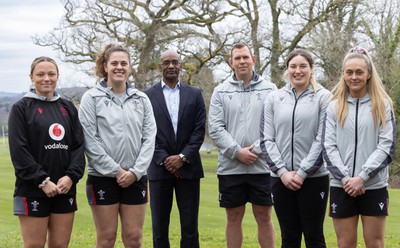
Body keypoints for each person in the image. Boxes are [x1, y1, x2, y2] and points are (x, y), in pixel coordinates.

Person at [79, 44, 156, 248]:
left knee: (133, 239)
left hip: (136, 178)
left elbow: (149, 139)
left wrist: (135, 172)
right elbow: (90, 140)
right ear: (105, 66)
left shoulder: (142, 99)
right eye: (114, 63)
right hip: (102, 178)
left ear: (130, 67)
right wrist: (117, 171)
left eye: (124, 63)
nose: (119, 67)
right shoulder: (91, 98)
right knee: (106, 238)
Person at [322, 46, 396, 248]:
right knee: (345, 244)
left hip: (373, 186)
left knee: (375, 244)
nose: (354, 77)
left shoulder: (382, 104)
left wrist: (362, 177)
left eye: (359, 72)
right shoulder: (334, 106)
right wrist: (347, 179)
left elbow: (386, 147)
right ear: (343, 74)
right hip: (341, 185)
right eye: (349, 72)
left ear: (369, 74)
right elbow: (328, 147)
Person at [8, 56, 85, 248]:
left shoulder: (67, 107)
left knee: (60, 245)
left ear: (58, 76)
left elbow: (78, 146)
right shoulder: (21, 108)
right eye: (40, 74)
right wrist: (43, 181)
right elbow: (19, 151)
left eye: (51, 74)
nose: (46, 78)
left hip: (64, 188)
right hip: (33, 189)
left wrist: (70, 177)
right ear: (31, 77)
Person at [260, 49, 332, 247]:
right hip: (280, 179)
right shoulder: (274, 98)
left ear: (311, 69)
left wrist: (302, 173)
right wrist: (283, 173)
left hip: (313, 179)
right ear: (287, 69)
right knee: (289, 237)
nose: (297, 71)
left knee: (314, 236)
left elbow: (323, 138)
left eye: (303, 66)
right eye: (293, 66)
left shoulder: (324, 97)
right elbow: (267, 139)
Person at [208, 42, 277, 248]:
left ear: (253, 59)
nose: (242, 61)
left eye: (245, 57)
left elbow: (274, 127)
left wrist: (254, 151)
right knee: (233, 217)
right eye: (237, 58)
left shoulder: (270, 89)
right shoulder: (220, 91)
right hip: (231, 167)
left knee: (264, 216)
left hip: (262, 165)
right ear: (231, 62)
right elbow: (215, 129)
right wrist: (237, 152)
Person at [144, 50, 206, 248]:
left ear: (181, 65)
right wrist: (165, 160)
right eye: (166, 62)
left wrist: (182, 157)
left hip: (189, 169)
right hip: (158, 169)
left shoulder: (195, 94)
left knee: (190, 226)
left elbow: (199, 131)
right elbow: (146, 133)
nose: (171, 66)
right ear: (159, 67)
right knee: (159, 226)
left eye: (175, 62)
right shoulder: (146, 96)